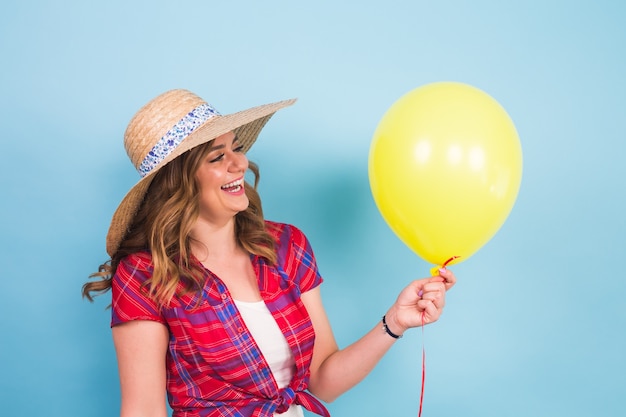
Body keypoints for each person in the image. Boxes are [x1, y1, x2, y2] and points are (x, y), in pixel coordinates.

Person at [83, 89, 456, 417]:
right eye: (217, 157)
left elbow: (322, 381)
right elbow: (143, 410)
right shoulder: (145, 275)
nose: (239, 164)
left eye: (237, 148)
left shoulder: (286, 246)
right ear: (177, 182)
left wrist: (394, 321)